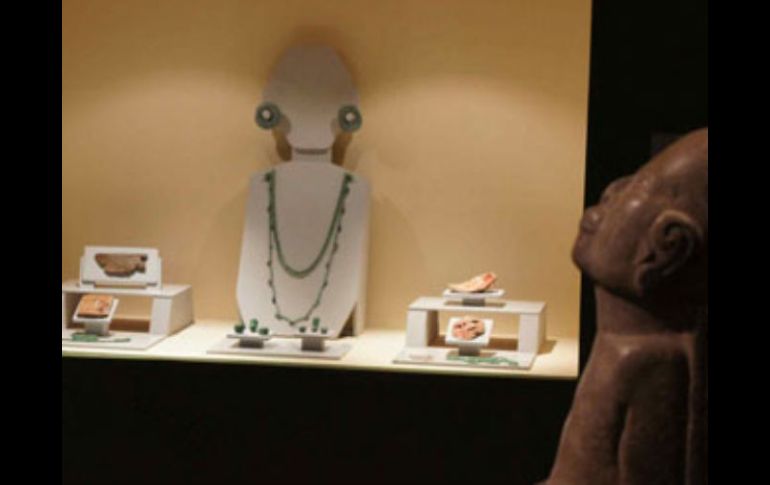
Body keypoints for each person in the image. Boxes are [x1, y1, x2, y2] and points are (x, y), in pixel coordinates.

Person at [542, 128, 707, 485]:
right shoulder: (627, 348)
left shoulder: (645, 361)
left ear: (668, 245)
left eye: (639, 186)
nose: (612, 190)